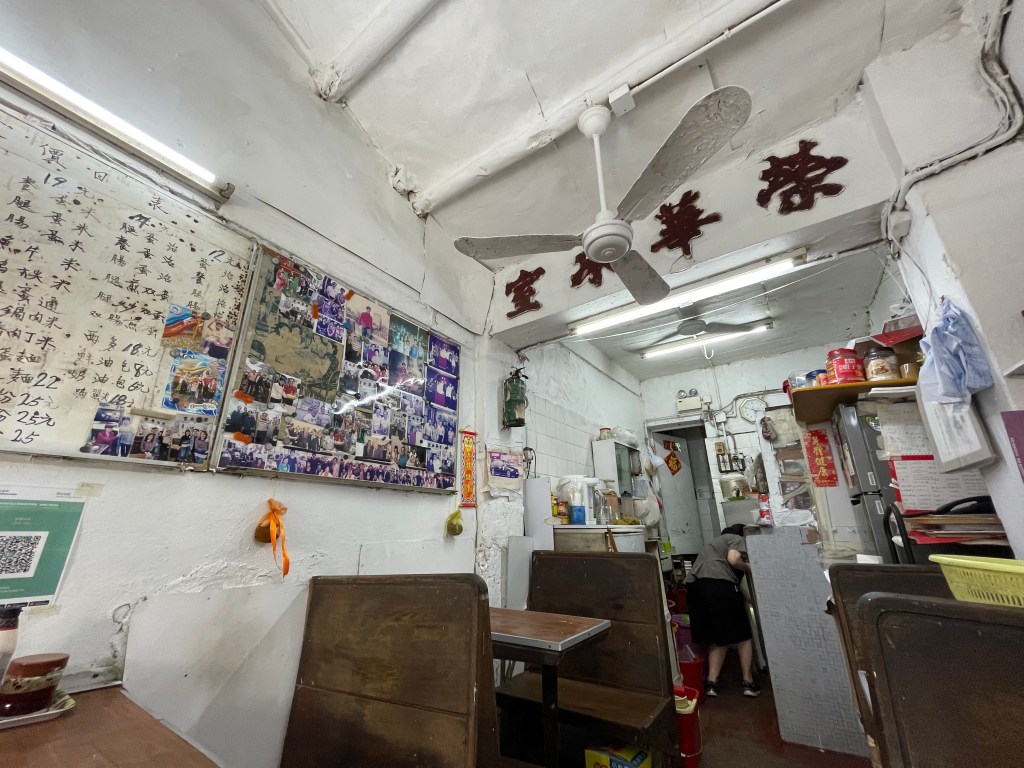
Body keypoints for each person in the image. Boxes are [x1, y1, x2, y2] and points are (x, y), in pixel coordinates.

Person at [683, 523, 760, 698]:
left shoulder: (713, 544)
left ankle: (711, 684)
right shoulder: (737, 538)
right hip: (719, 585)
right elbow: (733, 559)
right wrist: (752, 568)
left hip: (695, 589)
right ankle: (748, 682)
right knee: (743, 636)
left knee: (718, 637)